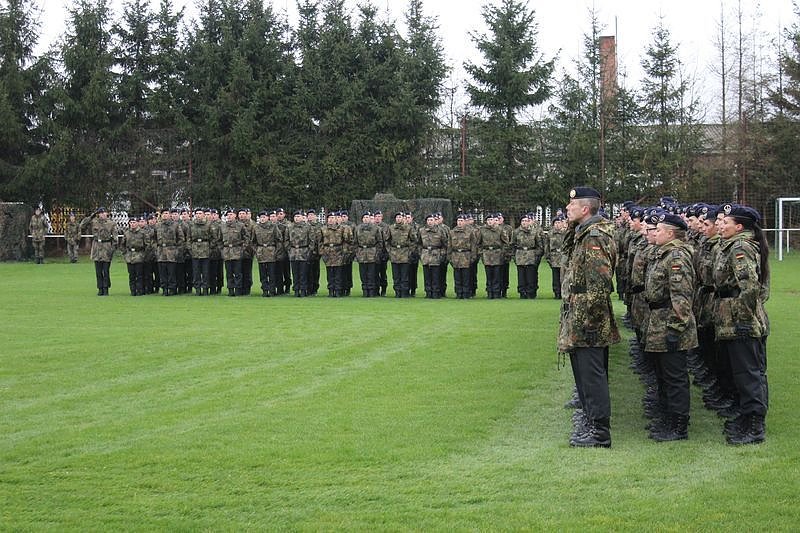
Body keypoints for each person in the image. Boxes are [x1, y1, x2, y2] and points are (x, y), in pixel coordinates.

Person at [558, 186, 620, 448]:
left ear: (585, 209)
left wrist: (590, 319)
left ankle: (599, 432)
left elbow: (598, 282)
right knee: (583, 373)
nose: (567, 209)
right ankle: (590, 420)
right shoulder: (582, 234)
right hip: (580, 312)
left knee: (592, 374)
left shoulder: (594, 236)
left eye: (571, 206)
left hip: (589, 317)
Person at [713, 203, 770, 445]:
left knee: (748, 373)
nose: (721, 225)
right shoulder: (733, 245)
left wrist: (745, 319)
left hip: (741, 320)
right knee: (741, 371)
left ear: (739, 226)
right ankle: (746, 418)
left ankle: (754, 426)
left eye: (725, 223)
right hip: (732, 317)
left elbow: (749, 287)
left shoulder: (740, 248)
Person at [641, 212, 697, 441]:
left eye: (660, 229)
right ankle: (668, 417)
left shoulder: (676, 257)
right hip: (658, 320)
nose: (655, 232)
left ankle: (679, 426)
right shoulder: (662, 254)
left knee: (675, 377)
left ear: (671, 233)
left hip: (670, 322)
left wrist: (675, 328)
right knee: (663, 375)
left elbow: (682, 296)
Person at [80, 207, 118, 295]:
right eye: (101, 213)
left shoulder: (111, 223)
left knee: (106, 270)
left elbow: (115, 238)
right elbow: (82, 225)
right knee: (98, 271)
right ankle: (100, 288)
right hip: (97, 247)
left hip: (106, 247)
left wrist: (112, 249)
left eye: (104, 213)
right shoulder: (94, 221)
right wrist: (91, 216)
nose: (103, 214)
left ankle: (106, 288)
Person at [512, 213, 545, 299]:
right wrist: (514, 256)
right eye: (523, 221)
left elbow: (539, 245)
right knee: (521, 276)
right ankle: (522, 292)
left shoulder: (534, 232)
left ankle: (531, 293)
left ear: (529, 222)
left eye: (526, 221)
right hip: (520, 256)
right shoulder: (516, 232)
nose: (524, 223)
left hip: (531, 256)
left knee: (531, 276)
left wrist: (536, 255)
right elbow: (512, 245)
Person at [447, 214, 478, 299]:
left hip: (466, 256)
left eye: (461, 221)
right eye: (458, 221)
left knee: (466, 276)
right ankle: (458, 293)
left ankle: (466, 293)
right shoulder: (452, 232)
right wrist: (449, 257)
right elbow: (449, 245)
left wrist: (473, 257)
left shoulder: (470, 232)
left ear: (465, 222)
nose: (459, 222)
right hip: (455, 256)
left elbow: (473, 245)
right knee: (457, 276)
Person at [155, 208, 184, 296]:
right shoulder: (158, 226)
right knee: (162, 272)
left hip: (171, 252)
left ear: (170, 215)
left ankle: (172, 289)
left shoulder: (175, 225)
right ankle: (164, 288)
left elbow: (181, 238)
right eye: (163, 213)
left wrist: (177, 250)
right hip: (161, 253)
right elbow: (152, 238)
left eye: (167, 213)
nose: (165, 215)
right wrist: (155, 248)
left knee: (171, 272)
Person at [354, 211, 384, 297]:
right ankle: (364, 291)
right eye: (364, 217)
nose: (366, 219)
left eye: (368, 217)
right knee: (363, 274)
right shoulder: (358, 228)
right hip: (361, 253)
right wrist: (357, 252)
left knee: (371, 274)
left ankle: (371, 291)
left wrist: (377, 253)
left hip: (372, 253)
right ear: (362, 219)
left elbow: (380, 242)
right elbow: (355, 242)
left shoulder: (376, 228)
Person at [419, 213, 449, 298]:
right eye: (428, 220)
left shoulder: (440, 230)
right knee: (427, 276)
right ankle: (428, 292)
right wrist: (420, 253)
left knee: (436, 275)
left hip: (436, 255)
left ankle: (436, 292)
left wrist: (442, 254)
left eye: (431, 220)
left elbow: (445, 244)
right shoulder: (422, 230)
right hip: (425, 256)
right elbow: (419, 243)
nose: (430, 222)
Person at [478, 214, 507, 299]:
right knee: (489, 275)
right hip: (487, 254)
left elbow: (506, 242)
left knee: (497, 275)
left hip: (497, 255)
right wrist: (481, 253)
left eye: (492, 219)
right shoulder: (482, 230)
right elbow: (478, 243)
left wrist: (502, 252)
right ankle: (489, 293)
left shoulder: (500, 230)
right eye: (488, 220)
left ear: (495, 220)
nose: (490, 221)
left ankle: (497, 293)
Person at [320, 211, 349, 297]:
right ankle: (330, 290)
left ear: (336, 219)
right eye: (329, 218)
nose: (331, 220)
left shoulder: (342, 229)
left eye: (333, 218)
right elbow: (319, 241)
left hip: (338, 252)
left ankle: (338, 290)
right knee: (330, 273)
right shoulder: (323, 229)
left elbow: (346, 241)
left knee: (338, 273)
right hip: (327, 252)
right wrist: (322, 252)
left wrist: (344, 252)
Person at [253, 210, 281, 297]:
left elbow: (279, 240)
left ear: (267, 218)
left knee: (272, 273)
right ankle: (265, 290)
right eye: (261, 217)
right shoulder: (256, 228)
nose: (262, 219)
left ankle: (272, 290)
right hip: (261, 252)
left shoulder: (273, 226)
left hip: (271, 252)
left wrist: (276, 251)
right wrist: (257, 251)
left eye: (264, 217)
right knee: (263, 274)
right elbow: (253, 242)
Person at [387, 212, 414, 297]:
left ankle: (404, 292)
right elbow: (386, 240)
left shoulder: (408, 228)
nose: (398, 218)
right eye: (397, 217)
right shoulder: (391, 228)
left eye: (400, 217)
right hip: (394, 254)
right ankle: (397, 292)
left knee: (404, 276)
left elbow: (414, 240)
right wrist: (390, 251)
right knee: (396, 276)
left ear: (403, 218)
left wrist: (410, 251)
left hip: (405, 254)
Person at [288, 210, 314, 297]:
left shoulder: (307, 227)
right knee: (295, 273)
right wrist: (289, 249)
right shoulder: (290, 227)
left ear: (302, 217)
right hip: (293, 253)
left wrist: (309, 251)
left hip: (304, 252)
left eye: (298, 216)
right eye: (295, 217)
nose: (297, 218)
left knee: (303, 273)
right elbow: (286, 239)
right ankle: (296, 290)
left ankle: (303, 290)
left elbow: (312, 240)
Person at [221, 208, 247, 296]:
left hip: (237, 251)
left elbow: (246, 238)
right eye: (228, 215)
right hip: (227, 252)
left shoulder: (240, 225)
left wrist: (242, 248)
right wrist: (222, 249)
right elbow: (219, 239)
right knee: (229, 273)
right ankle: (230, 289)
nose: (229, 216)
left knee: (238, 273)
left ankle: (238, 290)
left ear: (235, 216)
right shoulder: (223, 226)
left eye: (231, 214)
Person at [120, 216, 147, 296]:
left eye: (134, 223)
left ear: (137, 223)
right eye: (131, 223)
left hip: (139, 256)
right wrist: (125, 253)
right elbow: (122, 245)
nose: (133, 224)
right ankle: (133, 290)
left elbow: (147, 245)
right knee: (131, 275)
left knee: (139, 275)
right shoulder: (127, 233)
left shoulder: (142, 233)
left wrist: (143, 254)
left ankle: (140, 290)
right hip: (130, 257)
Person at [189, 208, 212, 295]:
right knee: (196, 271)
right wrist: (190, 248)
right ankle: (197, 289)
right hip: (195, 250)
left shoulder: (208, 224)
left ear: (203, 215)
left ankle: (205, 288)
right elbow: (188, 237)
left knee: (206, 271)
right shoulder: (192, 225)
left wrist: (210, 247)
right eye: (197, 213)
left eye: (200, 213)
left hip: (205, 249)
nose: (198, 215)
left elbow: (214, 237)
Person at [545, 215, 567, 299]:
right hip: (554, 257)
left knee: (564, 276)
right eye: (556, 223)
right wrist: (548, 257)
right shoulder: (550, 233)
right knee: (555, 276)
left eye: (559, 222)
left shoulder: (566, 232)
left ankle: (564, 292)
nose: (558, 224)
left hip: (564, 256)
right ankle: (556, 293)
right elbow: (547, 246)